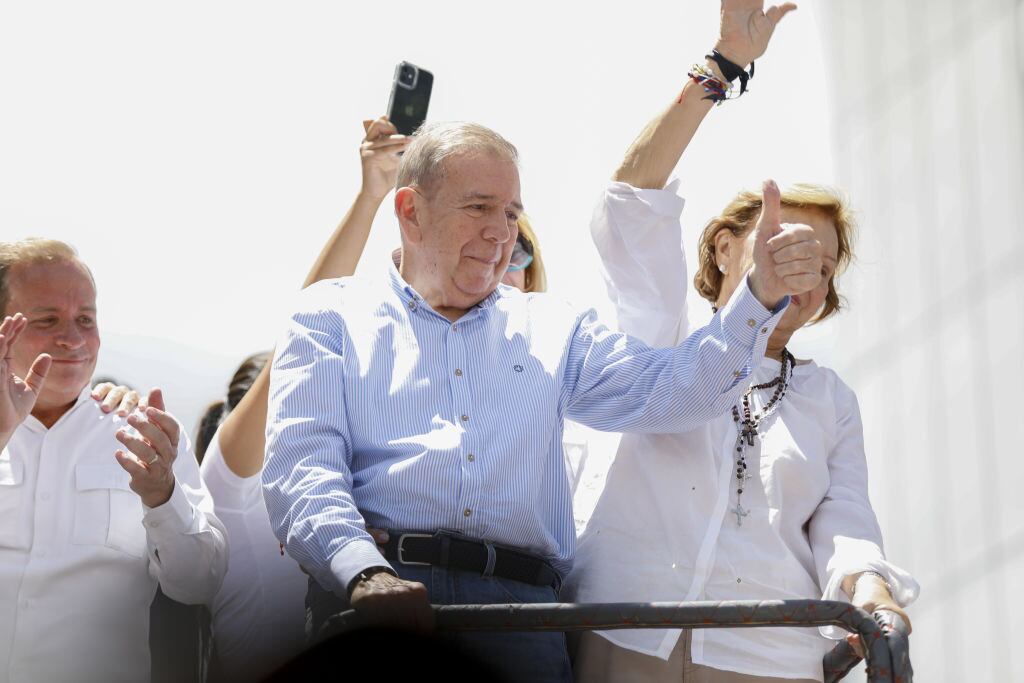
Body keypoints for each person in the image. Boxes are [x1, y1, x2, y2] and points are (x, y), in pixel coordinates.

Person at [262, 113, 824, 681]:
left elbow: (674, 393)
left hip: (521, 620)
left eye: (511, 214)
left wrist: (759, 295)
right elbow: (302, 469)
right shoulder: (329, 315)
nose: (501, 233)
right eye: (479, 207)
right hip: (377, 600)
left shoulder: (554, 327)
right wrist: (363, 572)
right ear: (410, 211)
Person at [562, 2, 918, 681]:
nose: (803, 268)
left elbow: (843, 521)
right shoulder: (660, 335)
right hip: (628, 632)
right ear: (726, 247)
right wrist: (721, 66)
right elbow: (627, 206)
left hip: (769, 657)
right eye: (786, 243)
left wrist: (871, 588)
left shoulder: (828, 398)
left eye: (822, 261)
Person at [0, 239, 227, 682]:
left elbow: (201, 583)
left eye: (86, 319)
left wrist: (163, 497)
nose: (73, 338)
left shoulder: (148, 435)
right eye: (48, 320)